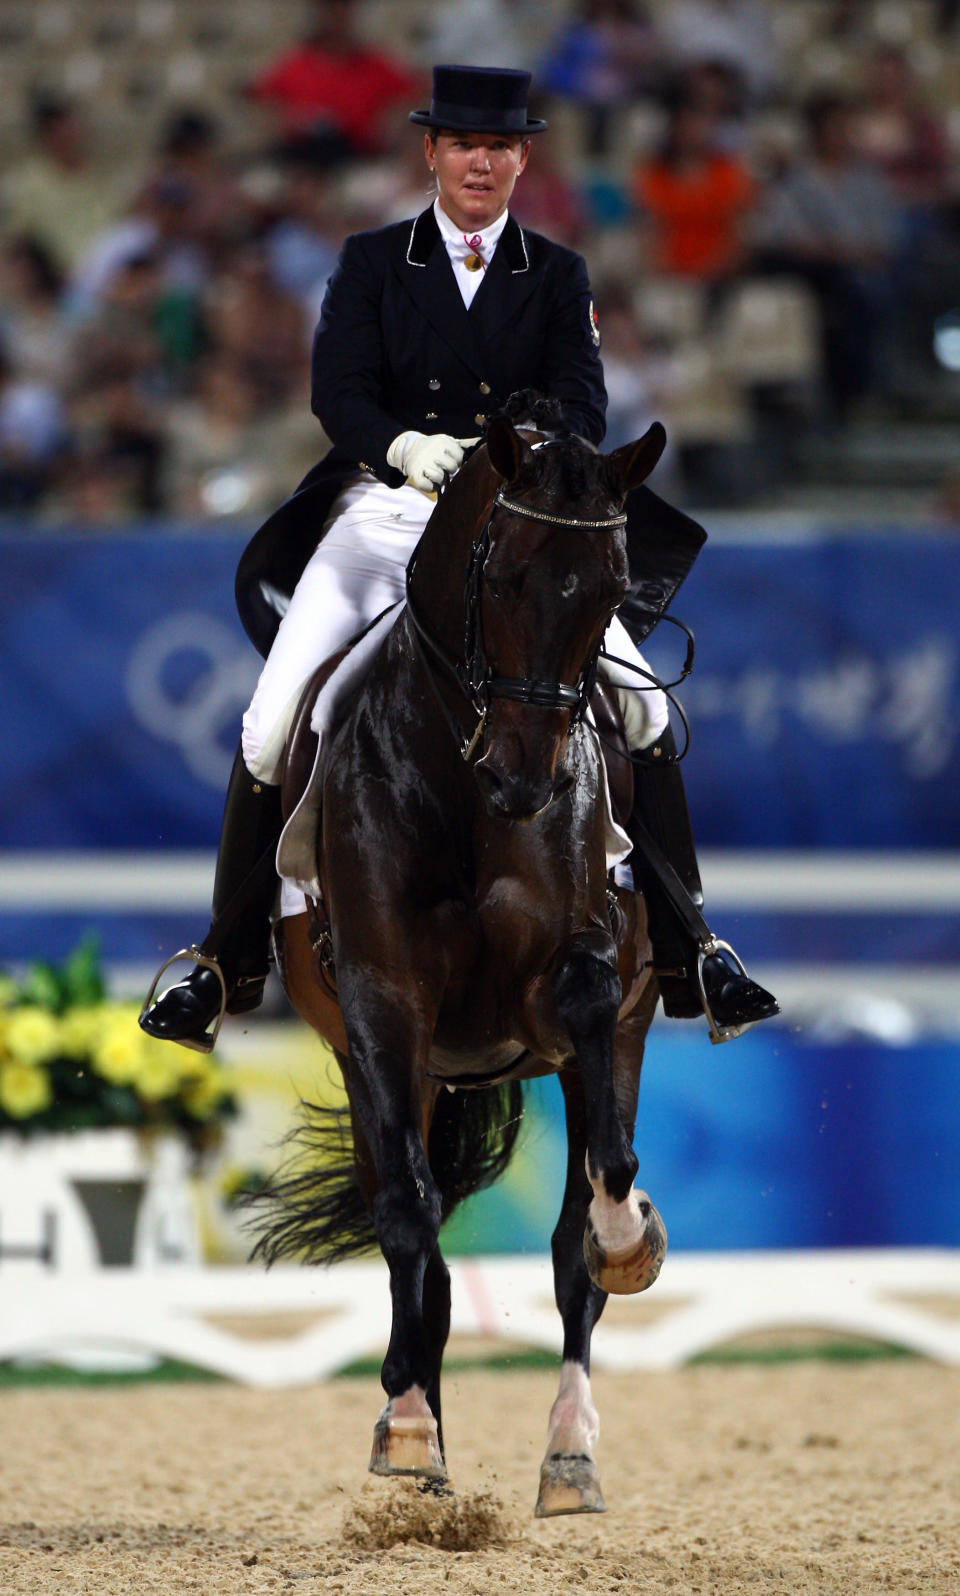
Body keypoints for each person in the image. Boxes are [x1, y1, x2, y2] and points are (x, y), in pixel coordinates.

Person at [140, 64, 777, 1051]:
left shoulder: (557, 273)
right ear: (431, 152)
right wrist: (402, 446)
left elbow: (583, 402)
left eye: (501, 147)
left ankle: (695, 945)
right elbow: (337, 395)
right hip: (391, 508)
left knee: (647, 708)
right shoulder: (372, 261)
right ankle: (226, 961)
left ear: (522, 158)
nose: (481, 162)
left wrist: (516, 461)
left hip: (515, 520)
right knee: (270, 725)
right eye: (464, 145)